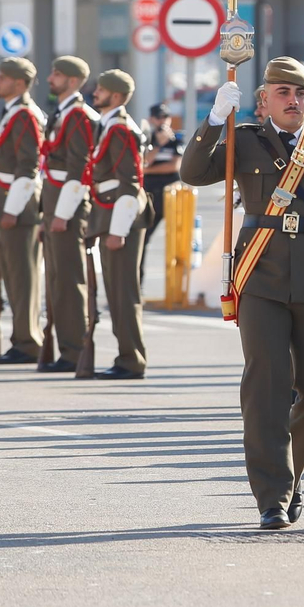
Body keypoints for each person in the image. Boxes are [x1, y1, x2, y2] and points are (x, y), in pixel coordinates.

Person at [181, 57, 304, 529]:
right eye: (283, 93)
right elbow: (192, 172)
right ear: (263, 100)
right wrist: (211, 121)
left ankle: (290, 474)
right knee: (267, 388)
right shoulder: (244, 140)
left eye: (301, 93)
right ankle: (272, 496)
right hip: (260, 278)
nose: (293, 101)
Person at [84, 69, 151, 379]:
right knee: (116, 292)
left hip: (121, 221)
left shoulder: (120, 129)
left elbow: (130, 183)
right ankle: (126, 356)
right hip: (110, 216)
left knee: (124, 293)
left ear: (118, 97)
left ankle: (131, 360)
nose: (95, 92)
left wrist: (118, 230)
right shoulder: (108, 126)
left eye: (102, 89)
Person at [0, 58, 46, 364]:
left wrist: (11, 209)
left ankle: (27, 342)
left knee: (22, 279)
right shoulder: (11, 113)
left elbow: (28, 166)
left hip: (17, 208)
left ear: (20, 83)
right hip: (5, 204)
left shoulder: (24, 116)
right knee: (11, 277)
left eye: (3, 77)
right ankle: (20, 339)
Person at [41, 56, 98, 374]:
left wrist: (62, 214)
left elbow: (79, 168)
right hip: (53, 206)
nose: (51, 78)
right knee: (56, 280)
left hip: (68, 208)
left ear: (73, 81)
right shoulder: (62, 113)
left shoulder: (77, 116)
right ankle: (66, 347)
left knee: (68, 279)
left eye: (57, 74)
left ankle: (75, 349)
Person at [140, 103, 183, 284]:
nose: (162, 121)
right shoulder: (147, 138)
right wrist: (157, 144)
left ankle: (177, 285)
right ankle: (138, 281)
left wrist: (148, 170)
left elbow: (175, 166)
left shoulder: (177, 139)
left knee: (177, 239)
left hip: (170, 195)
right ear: (151, 119)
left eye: (165, 117)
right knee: (143, 237)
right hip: (149, 194)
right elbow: (143, 163)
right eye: (158, 117)